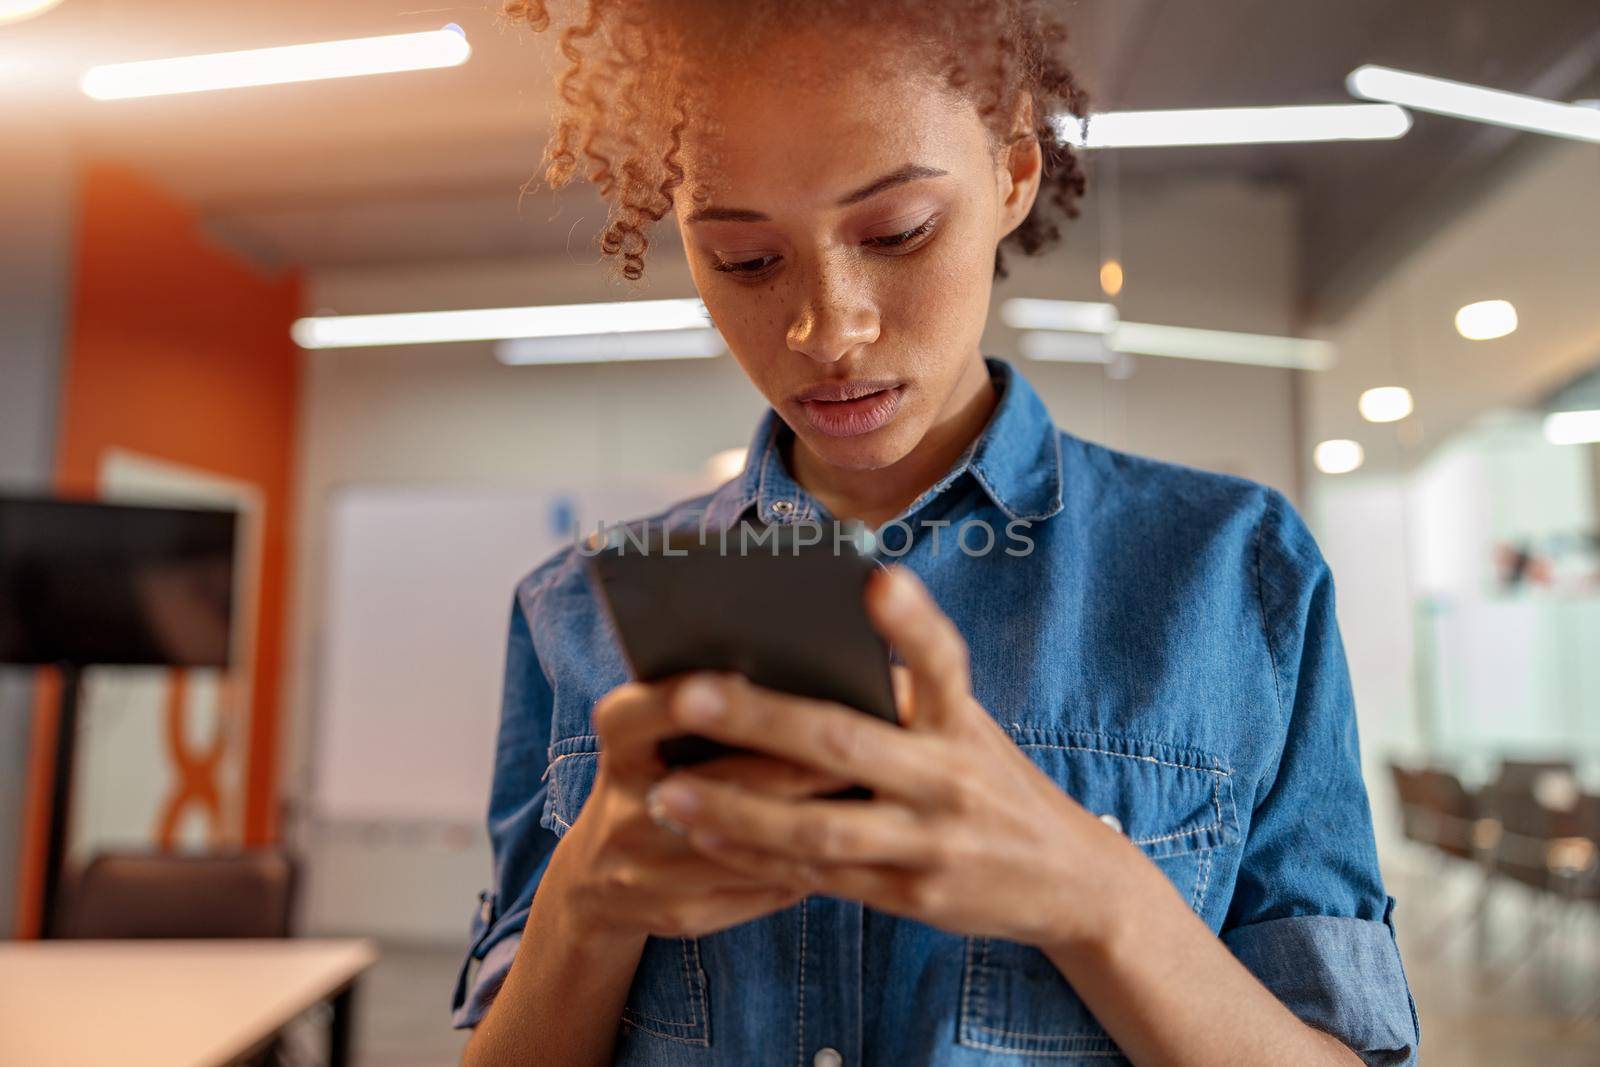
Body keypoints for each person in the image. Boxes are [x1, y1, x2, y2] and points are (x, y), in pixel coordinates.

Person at [454, 2, 1419, 1064]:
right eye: (742, 260)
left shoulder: (1235, 573)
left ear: (1011, 174)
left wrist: (1097, 899)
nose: (830, 327)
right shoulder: (575, 607)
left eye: (897, 231)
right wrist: (583, 911)